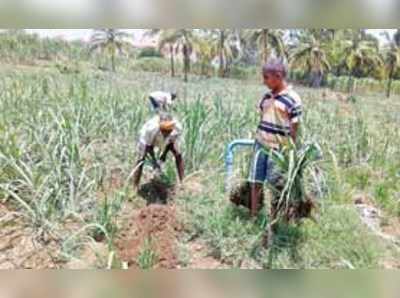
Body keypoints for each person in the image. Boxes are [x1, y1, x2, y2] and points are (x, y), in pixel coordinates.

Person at [248, 58, 303, 220]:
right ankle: (253, 215)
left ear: (278, 76)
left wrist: (289, 151)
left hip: (278, 150)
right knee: (255, 181)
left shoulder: (292, 99)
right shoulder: (266, 97)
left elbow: (295, 127)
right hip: (261, 146)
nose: (264, 81)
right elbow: (262, 118)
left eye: (266, 77)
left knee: (275, 185)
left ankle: (273, 220)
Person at [133, 113, 184, 189]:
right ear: (160, 127)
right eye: (164, 131)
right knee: (141, 160)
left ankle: (182, 182)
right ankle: (135, 185)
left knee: (178, 155)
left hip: (164, 139)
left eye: (169, 131)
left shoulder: (177, 128)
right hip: (147, 140)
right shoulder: (151, 129)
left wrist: (163, 156)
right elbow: (148, 147)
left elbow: (170, 143)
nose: (166, 133)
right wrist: (154, 162)